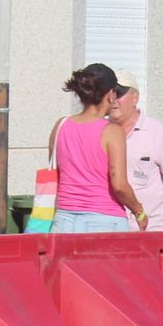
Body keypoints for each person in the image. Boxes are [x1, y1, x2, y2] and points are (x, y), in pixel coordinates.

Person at [48, 63, 147, 232]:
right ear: (110, 94)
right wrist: (139, 211)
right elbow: (119, 185)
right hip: (104, 220)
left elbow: (55, 174)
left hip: (63, 220)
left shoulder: (60, 126)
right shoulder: (112, 132)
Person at [109, 70, 163, 231]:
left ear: (135, 98)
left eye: (120, 93)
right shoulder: (102, 132)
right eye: (110, 94)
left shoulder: (156, 132)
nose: (114, 100)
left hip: (150, 231)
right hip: (112, 231)